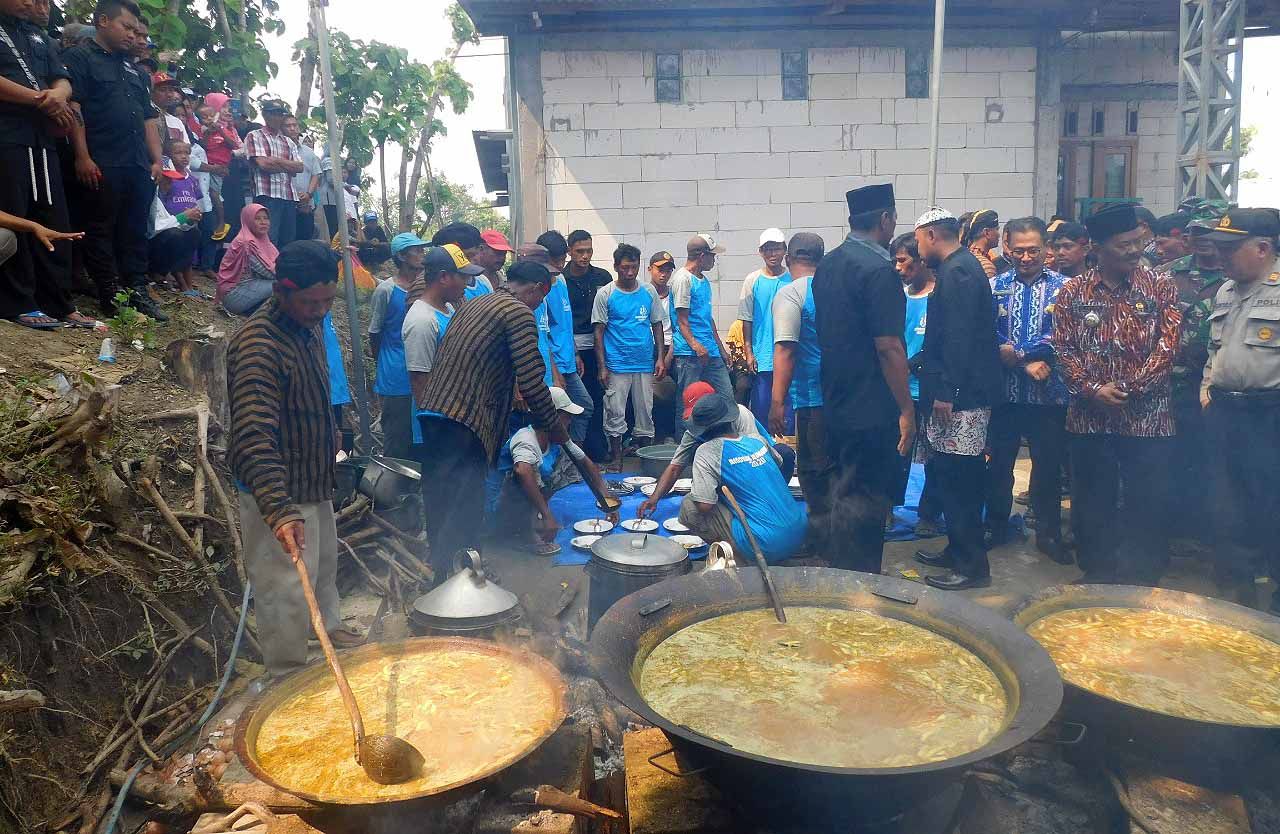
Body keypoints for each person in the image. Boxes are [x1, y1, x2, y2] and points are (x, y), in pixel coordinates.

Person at [227, 240, 363, 680]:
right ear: (281, 291)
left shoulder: (307, 327)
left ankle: (328, 628)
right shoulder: (257, 346)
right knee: (284, 587)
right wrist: (279, 509)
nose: (321, 310)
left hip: (312, 476)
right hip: (276, 487)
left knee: (323, 567)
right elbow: (252, 436)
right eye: (311, 302)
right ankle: (288, 673)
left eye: (328, 300)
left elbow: (309, 396)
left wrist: (333, 432)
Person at [416, 260, 588, 583]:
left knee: (441, 499)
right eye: (541, 299)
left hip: (433, 414)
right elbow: (532, 380)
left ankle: (441, 574)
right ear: (536, 289)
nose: (538, 306)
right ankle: (462, 580)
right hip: (464, 419)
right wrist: (555, 427)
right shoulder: (517, 312)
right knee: (466, 502)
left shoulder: (475, 304)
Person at [1053, 203, 1181, 585]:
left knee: (1147, 497)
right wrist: (1092, 390)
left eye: (1137, 242)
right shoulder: (1073, 291)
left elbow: (1168, 345)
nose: (1133, 250)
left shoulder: (1160, 285)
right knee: (1093, 499)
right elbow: (1063, 348)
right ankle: (1098, 572)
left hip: (1148, 417)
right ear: (1097, 247)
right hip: (1089, 416)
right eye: (1123, 244)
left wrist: (1130, 388)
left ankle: (1143, 575)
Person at [811, 183, 915, 574]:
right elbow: (888, 346)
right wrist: (906, 408)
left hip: (836, 397)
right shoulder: (878, 272)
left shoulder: (830, 265)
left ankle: (840, 571)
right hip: (872, 403)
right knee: (868, 494)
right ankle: (861, 583)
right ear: (886, 220)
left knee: (842, 487)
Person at [910, 207, 1003, 590]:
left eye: (917, 241)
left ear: (931, 235)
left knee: (961, 482)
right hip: (955, 392)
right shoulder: (955, 268)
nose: (917, 251)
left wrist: (947, 391)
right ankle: (957, 548)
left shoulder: (959, 271)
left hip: (962, 399)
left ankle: (972, 567)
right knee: (948, 476)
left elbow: (959, 339)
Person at [63, 0, 168, 320]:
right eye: (127, 27)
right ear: (103, 21)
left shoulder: (134, 70)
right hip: (103, 159)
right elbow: (74, 108)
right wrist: (81, 155)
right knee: (100, 228)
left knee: (134, 229)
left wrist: (157, 160)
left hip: (137, 163)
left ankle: (137, 290)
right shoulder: (79, 58)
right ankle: (111, 294)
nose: (133, 35)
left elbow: (149, 118)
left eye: (136, 30)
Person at [1200, 208, 1280, 610]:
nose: (1221, 256)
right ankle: (1241, 592)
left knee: (1273, 505)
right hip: (1226, 414)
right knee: (1230, 505)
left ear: (1263, 248)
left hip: (1270, 416)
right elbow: (1215, 349)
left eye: (1231, 249)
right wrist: (1206, 385)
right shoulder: (1225, 291)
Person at [983, 217, 1070, 564]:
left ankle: (1049, 534)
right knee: (999, 465)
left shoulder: (1066, 289)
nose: (1026, 257)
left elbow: (1064, 333)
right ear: (1006, 247)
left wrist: (1020, 354)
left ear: (1046, 249)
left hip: (1048, 394)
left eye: (1033, 250)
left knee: (1047, 467)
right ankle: (996, 526)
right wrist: (1021, 363)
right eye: (1018, 250)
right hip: (1005, 395)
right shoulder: (995, 286)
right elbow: (985, 332)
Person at [0, 0, 91, 329]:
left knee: (53, 216)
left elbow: (61, 78)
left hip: (43, 140)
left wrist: (58, 94)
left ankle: (59, 301)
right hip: (8, 137)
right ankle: (18, 302)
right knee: (17, 217)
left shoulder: (38, 35)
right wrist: (41, 99)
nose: (32, 3)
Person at [678, 393, 807, 564]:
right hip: (799, 533)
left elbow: (704, 505)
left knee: (689, 506)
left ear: (702, 429)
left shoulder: (707, 451)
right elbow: (777, 462)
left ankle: (736, 558)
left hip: (764, 544)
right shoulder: (756, 440)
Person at [1163, 212, 1228, 541]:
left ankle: (1206, 533)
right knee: (1169, 460)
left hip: (1216, 389)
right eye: (1196, 231)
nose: (1203, 237)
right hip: (1168, 386)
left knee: (1211, 462)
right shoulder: (1167, 274)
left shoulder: (1238, 274)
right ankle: (1174, 530)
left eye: (1211, 230)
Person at [639, 380, 793, 516]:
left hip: (754, 464)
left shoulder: (741, 414)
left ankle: (771, 502)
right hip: (729, 469)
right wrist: (654, 499)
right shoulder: (693, 430)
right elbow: (674, 468)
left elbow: (753, 461)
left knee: (785, 453)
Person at [770, 232, 832, 556]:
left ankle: (822, 541)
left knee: (812, 471)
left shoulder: (791, 293)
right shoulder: (836, 288)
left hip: (812, 399)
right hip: (843, 396)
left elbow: (786, 350)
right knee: (837, 468)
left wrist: (777, 402)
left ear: (788, 259)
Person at [592, 242, 668, 471]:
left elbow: (657, 324)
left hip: (644, 363)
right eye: (625, 268)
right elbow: (598, 332)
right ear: (616, 267)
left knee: (645, 410)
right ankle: (616, 458)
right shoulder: (606, 294)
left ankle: (645, 458)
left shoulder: (648, 291)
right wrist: (602, 367)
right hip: (616, 364)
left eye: (633, 267)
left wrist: (660, 358)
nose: (629, 272)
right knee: (615, 411)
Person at [494, 387, 587, 557]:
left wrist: (607, 501)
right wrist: (547, 514)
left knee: (563, 467)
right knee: (525, 474)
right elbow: (522, 471)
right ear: (552, 417)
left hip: (512, 502)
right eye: (566, 416)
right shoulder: (526, 438)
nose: (570, 420)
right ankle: (524, 534)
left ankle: (531, 519)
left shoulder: (554, 439)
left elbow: (583, 461)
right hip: (498, 505)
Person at [891, 232, 942, 537]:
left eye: (903, 260)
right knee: (897, 450)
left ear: (920, 260)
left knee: (933, 455)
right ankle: (888, 507)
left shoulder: (940, 297)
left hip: (929, 391)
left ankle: (928, 513)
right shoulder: (898, 297)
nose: (898, 268)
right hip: (900, 389)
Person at [402, 244, 475, 455]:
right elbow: (419, 379)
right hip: (438, 426)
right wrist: (435, 432)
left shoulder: (448, 309)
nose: (467, 285)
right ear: (443, 277)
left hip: (454, 419)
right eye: (462, 277)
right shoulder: (422, 320)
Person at [368, 233, 425, 459]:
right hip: (396, 373)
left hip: (423, 371)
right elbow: (375, 332)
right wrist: (383, 363)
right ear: (401, 256)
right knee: (397, 436)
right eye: (417, 250)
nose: (422, 254)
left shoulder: (428, 287)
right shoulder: (386, 290)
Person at [670, 232, 733, 435]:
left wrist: (721, 350)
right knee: (689, 400)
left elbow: (708, 318)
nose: (714, 260)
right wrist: (696, 346)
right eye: (712, 256)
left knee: (726, 395)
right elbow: (681, 320)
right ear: (701, 255)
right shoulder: (682, 279)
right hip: (690, 354)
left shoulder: (703, 281)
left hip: (710, 351)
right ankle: (684, 443)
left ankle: (725, 437)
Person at [563, 229, 613, 459]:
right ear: (569, 251)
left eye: (589, 251)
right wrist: (573, 351)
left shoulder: (602, 277)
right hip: (572, 347)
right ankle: (575, 452)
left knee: (599, 396)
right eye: (579, 251)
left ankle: (597, 448)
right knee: (576, 401)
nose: (585, 256)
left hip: (599, 345)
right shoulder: (561, 280)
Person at [738, 228, 793, 430]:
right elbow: (747, 318)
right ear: (760, 252)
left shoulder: (793, 278)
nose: (772, 254)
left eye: (776, 249)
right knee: (762, 411)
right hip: (763, 358)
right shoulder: (752, 280)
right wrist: (749, 352)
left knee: (788, 412)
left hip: (790, 356)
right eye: (767, 249)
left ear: (785, 250)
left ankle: (789, 454)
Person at [244, 99, 302, 248]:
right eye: (273, 113)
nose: (277, 117)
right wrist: (286, 165)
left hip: (288, 195)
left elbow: (299, 167)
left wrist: (275, 160)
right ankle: (268, 270)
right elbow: (263, 164)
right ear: (265, 115)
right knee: (268, 238)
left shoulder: (288, 142)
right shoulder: (254, 136)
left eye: (280, 114)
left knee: (288, 240)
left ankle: (284, 271)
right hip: (266, 194)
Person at [149, 151, 201, 293]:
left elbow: (168, 221)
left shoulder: (158, 197)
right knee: (174, 235)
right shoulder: (149, 196)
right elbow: (153, 228)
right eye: (167, 179)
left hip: (154, 244)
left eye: (171, 179)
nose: (170, 183)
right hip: (145, 246)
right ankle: (155, 274)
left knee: (193, 232)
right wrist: (182, 217)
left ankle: (166, 276)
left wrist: (189, 220)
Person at [217, 203, 276, 315]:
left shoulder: (262, 239)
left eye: (266, 218)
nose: (263, 222)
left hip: (251, 286)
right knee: (283, 285)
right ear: (248, 221)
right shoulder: (246, 243)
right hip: (234, 295)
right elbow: (269, 273)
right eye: (257, 219)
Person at [197, 93, 239, 241]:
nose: (228, 110)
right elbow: (203, 146)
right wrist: (209, 131)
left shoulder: (227, 128)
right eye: (224, 107)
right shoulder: (202, 128)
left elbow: (234, 145)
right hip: (205, 169)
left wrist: (220, 130)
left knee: (214, 194)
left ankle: (221, 221)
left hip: (219, 168)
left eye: (229, 107)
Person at [648, 249, 678, 439]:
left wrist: (668, 357)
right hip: (648, 348)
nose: (663, 274)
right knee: (651, 394)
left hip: (673, 347)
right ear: (650, 269)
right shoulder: (643, 292)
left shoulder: (675, 295)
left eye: (668, 270)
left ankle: (670, 434)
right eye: (660, 269)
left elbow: (680, 327)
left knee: (675, 391)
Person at [284, 115, 319, 243]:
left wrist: (309, 194)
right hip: (286, 203)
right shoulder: (280, 149)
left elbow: (316, 174)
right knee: (287, 240)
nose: (292, 129)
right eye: (288, 126)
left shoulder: (308, 152)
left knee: (305, 241)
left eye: (295, 125)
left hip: (305, 205)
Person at [962, 209, 1000, 279]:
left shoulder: (962, 256)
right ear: (987, 233)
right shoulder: (986, 266)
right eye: (997, 229)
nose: (999, 235)